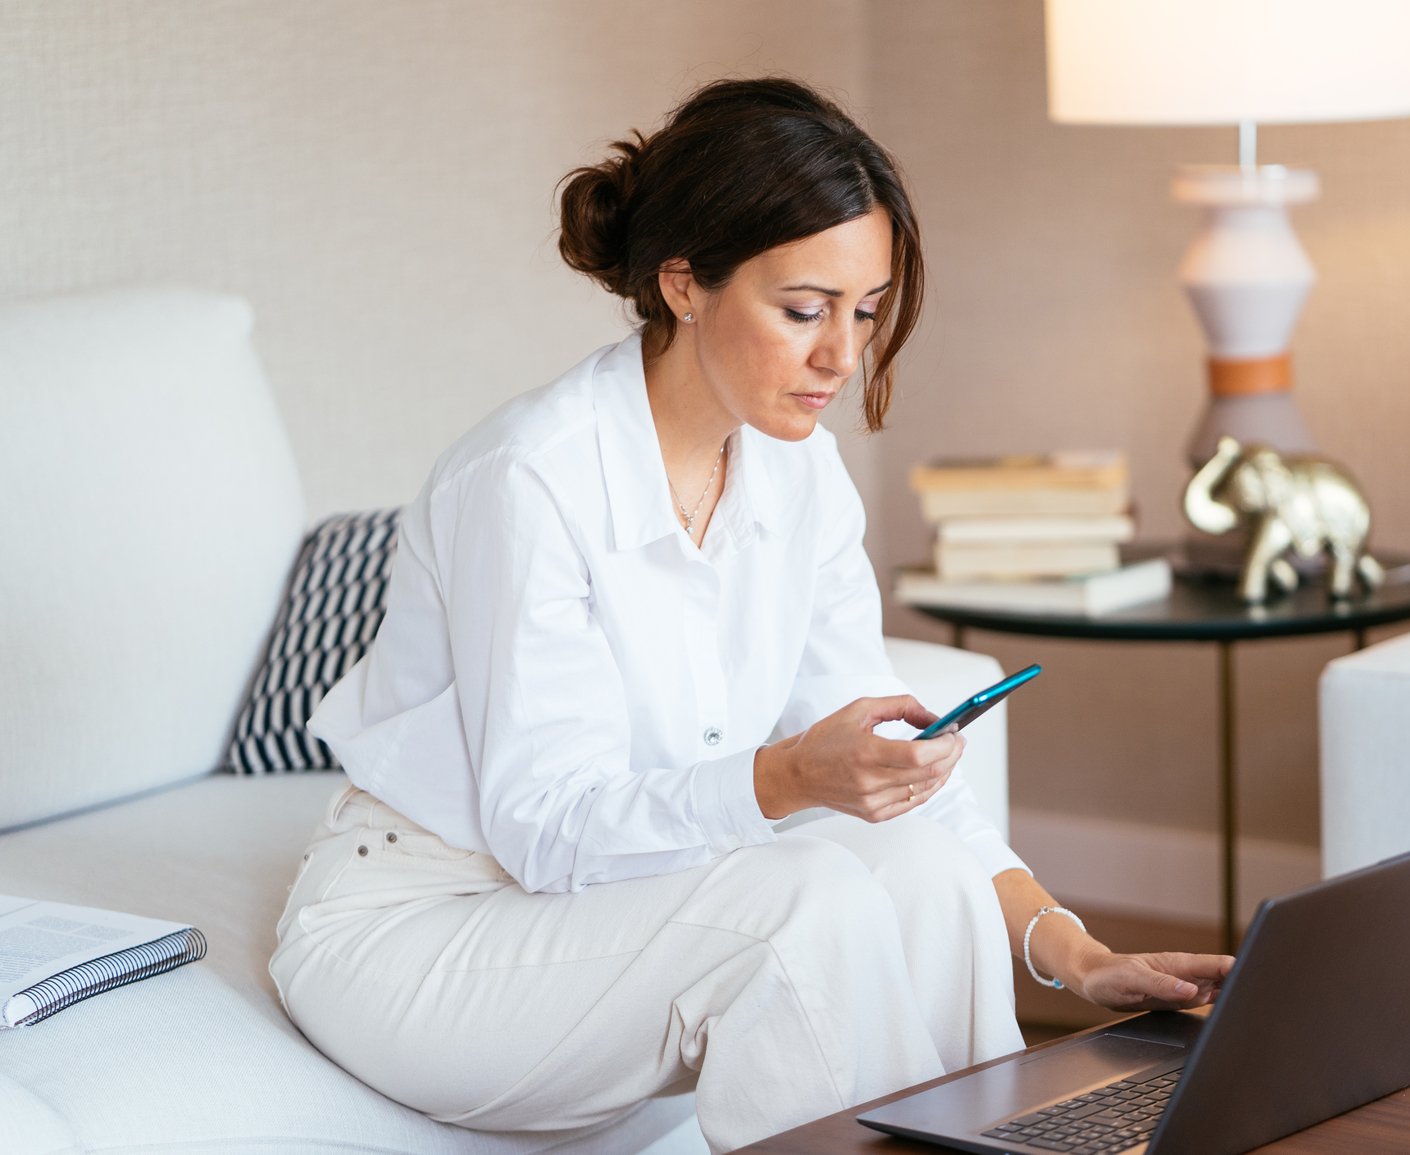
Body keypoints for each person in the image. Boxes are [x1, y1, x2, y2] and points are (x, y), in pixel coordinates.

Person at [269, 76, 1233, 1153]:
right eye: (802, 309)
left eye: (864, 312)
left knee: (921, 879)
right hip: (425, 931)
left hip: (622, 901)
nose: (841, 355)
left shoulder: (797, 474)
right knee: (802, 901)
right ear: (684, 283)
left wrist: (1070, 950)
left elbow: (897, 761)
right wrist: (784, 780)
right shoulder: (528, 479)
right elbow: (544, 829)